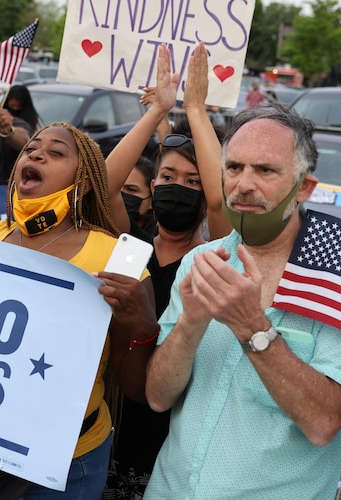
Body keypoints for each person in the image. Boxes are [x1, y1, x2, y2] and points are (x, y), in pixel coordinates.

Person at [143, 102, 341, 498]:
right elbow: (157, 397)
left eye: (265, 170)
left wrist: (252, 327)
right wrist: (191, 324)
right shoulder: (201, 262)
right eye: (234, 168)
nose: (244, 184)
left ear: (303, 186)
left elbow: (323, 423)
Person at [0, 121, 159, 499]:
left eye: (56, 151)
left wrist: (144, 326)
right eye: (32, 147)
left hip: (65, 463)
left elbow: (134, 388)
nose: (36, 153)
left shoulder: (119, 258)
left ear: (81, 184)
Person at [103, 42, 230, 498]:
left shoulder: (212, 260)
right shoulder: (128, 250)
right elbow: (103, 183)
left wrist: (193, 110)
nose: (180, 188)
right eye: (169, 178)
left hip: (167, 441)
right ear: (153, 186)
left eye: (193, 182)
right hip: (109, 428)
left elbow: (220, 199)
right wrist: (158, 109)